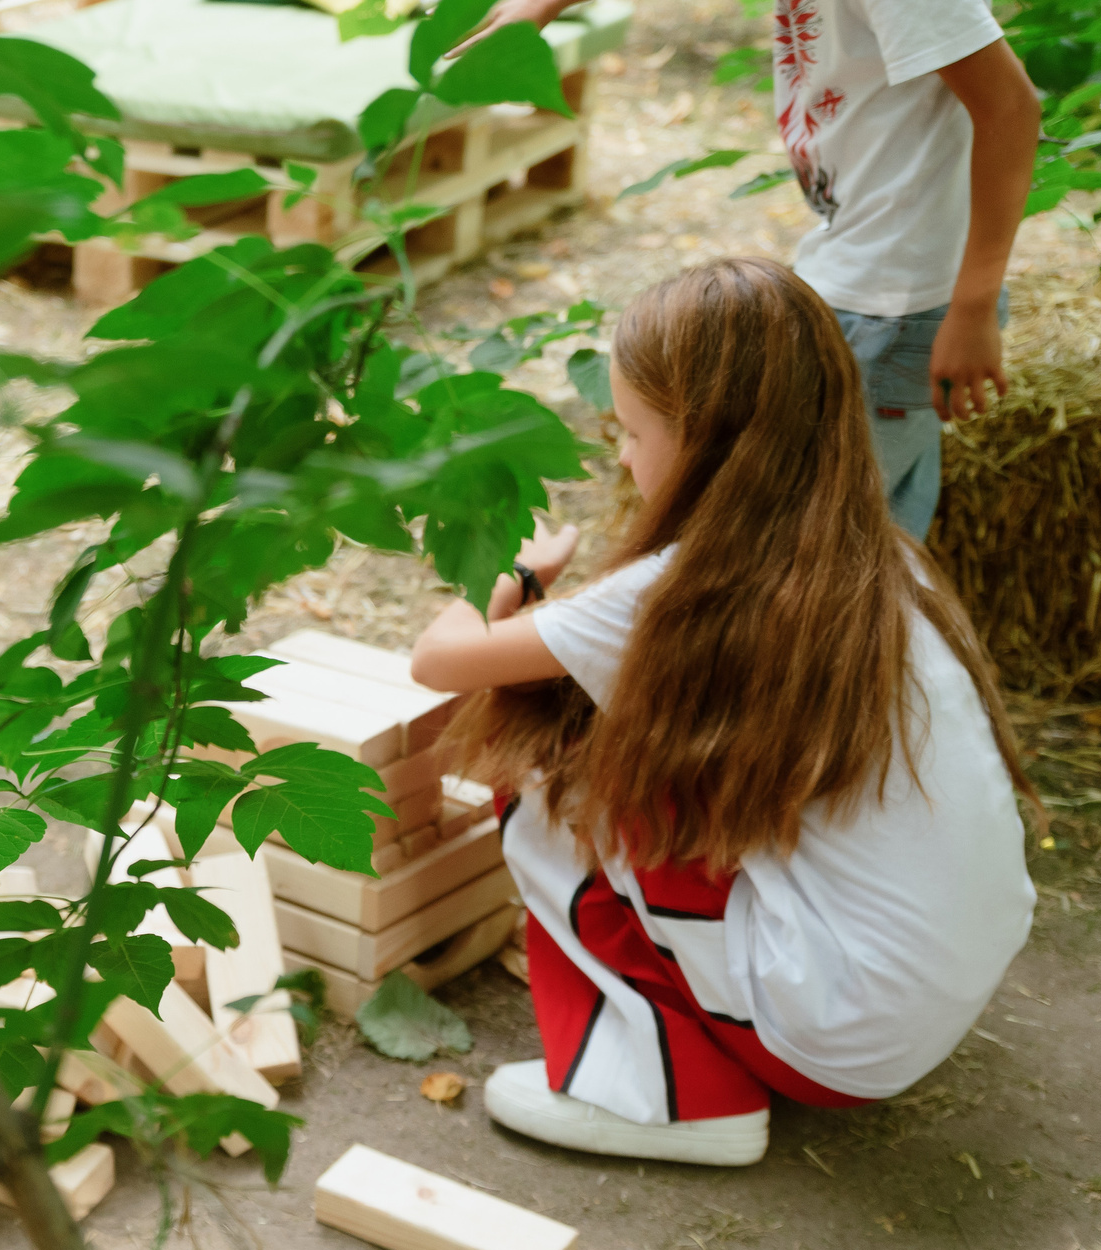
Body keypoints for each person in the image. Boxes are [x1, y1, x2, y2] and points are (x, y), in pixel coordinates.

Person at [409, 258, 1036, 1166]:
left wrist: (518, 572)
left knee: (546, 767)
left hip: (837, 1044)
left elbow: (442, 662)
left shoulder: (681, 592)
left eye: (630, 431)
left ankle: (669, 1094)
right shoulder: (887, 560)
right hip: (927, 1000)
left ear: (700, 438)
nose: (622, 457)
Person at [458, 0, 1042, 536]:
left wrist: (973, 306)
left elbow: (1010, 109)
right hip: (860, 273)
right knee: (855, 532)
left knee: (822, 546)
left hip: (896, 301)